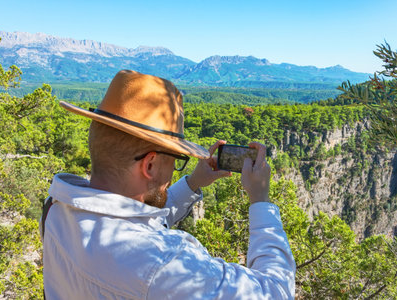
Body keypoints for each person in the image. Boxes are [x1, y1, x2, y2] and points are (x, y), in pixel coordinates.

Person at [41, 70, 296, 299]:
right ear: (149, 165)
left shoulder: (56, 211)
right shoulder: (166, 266)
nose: (174, 170)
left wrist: (194, 183)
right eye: (176, 160)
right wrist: (260, 201)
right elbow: (277, 291)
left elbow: (133, 221)